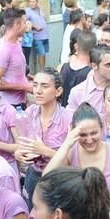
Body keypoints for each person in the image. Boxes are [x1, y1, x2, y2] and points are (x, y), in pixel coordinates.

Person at [14, 70, 72, 209]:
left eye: (45, 86)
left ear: (58, 91)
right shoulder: (30, 112)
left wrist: (44, 151)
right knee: (32, 215)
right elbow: (22, 144)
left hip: (58, 177)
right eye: (35, 85)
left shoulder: (68, 118)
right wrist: (19, 154)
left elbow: (71, 160)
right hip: (33, 173)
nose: (38, 91)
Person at [0, 8, 31, 109]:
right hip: (9, 106)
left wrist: (33, 78)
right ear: (17, 25)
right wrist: (24, 86)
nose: (26, 26)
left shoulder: (17, 43)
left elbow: (15, 72)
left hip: (20, 104)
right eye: (24, 22)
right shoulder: (3, 49)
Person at [60, 31, 94, 106]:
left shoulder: (64, 67)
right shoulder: (91, 73)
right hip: (82, 115)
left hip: (65, 113)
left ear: (76, 46)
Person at [25, 0, 49, 70]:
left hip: (45, 35)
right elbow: (24, 22)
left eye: (33, 1)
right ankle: (41, 71)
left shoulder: (40, 9)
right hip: (37, 36)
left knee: (44, 53)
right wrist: (35, 26)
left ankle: (43, 69)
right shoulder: (27, 11)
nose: (31, 3)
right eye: (30, 2)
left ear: (37, 2)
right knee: (41, 53)